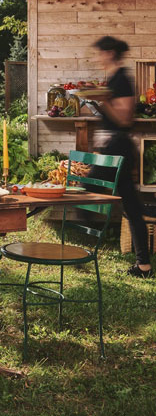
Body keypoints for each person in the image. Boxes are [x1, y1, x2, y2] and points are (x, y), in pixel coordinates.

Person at [90, 36, 153, 278]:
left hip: (119, 148)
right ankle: (144, 266)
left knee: (85, 189)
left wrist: (104, 101)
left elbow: (125, 119)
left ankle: (77, 250)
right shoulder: (113, 79)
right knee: (132, 207)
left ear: (110, 53)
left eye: (100, 53)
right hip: (112, 147)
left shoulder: (122, 80)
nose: (97, 58)